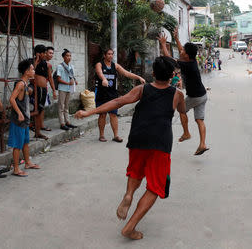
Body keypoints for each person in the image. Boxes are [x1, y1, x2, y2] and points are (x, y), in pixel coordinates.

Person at [76, 56, 181, 240]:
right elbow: (183, 112)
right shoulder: (177, 94)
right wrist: (186, 132)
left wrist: (88, 112)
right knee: (156, 187)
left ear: (153, 73)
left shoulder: (142, 89)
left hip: (138, 138)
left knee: (135, 171)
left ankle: (129, 194)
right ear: (172, 75)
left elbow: (118, 102)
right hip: (160, 143)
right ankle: (129, 227)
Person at [158, 28, 209, 156]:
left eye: (183, 51)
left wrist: (164, 44)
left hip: (195, 96)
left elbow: (168, 59)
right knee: (199, 120)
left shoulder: (186, 65)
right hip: (203, 95)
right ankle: (203, 144)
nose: (181, 51)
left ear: (187, 55)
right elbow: (182, 51)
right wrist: (176, 38)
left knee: (181, 110)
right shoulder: (190, 60)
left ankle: (186, 133)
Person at [94, 48, 145, 143]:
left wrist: (138, 77)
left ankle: (116, 135)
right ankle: (101, 135)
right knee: (102, 114)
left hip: (112, 94)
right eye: (108, 54)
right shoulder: (99, 64)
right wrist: (103, 79)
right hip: (102, 94)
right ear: (104, 55)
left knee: (113, 114)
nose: (110, 56)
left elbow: (126, 73)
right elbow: (99, 72)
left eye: (112, 54)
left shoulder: (115, 66)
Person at [8, 59, 40, 177]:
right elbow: (12, 99)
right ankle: (16, 169)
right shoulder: (21, 84)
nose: (34, 71)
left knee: (25, 142)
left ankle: (27, 163)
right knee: (17, 145)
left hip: (25, 119)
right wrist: (19, 113)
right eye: (32, 69)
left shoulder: (26, 84)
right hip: (19, 120)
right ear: (26, 71)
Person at [32, 45, 57, 139]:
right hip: (36, 89)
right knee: (36, 110)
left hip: (43, 90)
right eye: (44, 53)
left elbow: (50, 78)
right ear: (39, 53)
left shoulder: (46, 64)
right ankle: (36, 130)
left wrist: (54, 91)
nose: (45, 54)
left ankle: (38, 132)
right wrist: (37, 60)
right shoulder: (32, 62)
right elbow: (32, 72)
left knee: (40, 109)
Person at [56, 49, 78, 130]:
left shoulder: (71, 66)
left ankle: (68, 122)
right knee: (61, 106)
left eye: (70, 56)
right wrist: (68, 83)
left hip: (69, 89)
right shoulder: (60, 66)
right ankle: (62, 123)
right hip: (62, 88)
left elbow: (72, 76)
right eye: (67, 56)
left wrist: (75, 80)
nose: (69, 57)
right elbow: (58, 79)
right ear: (63, 57)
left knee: (66, 106)